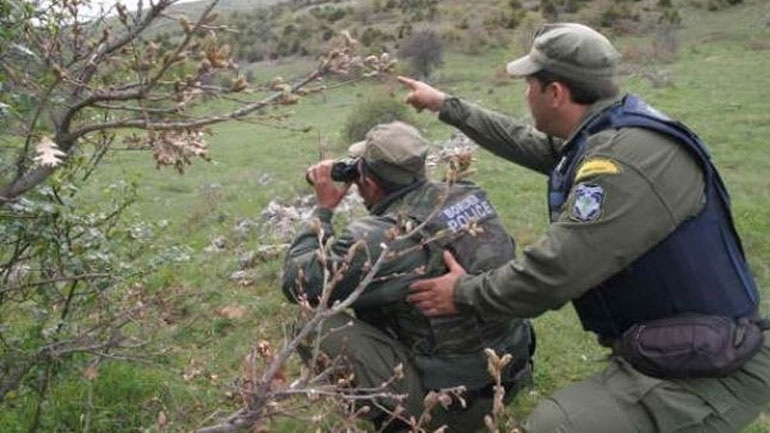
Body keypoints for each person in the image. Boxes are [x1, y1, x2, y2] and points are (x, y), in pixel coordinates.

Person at [398, 22, 770, 432]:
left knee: (555, 426)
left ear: (555, 93)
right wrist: (446, 105)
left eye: (529, 85)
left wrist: (462, 293)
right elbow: (528, 142)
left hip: (714, 367)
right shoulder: (612, 130)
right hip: (685, 345)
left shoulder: (621, 165)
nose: (525, 94)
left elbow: (552, 274)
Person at [281, 121, 535, 432]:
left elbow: (297, 283)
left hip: (453, 407)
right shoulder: (469, 195)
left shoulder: (383, 237)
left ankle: (400, 421)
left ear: (368, 183)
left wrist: (322, 211)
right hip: (509, 375)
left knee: (309, 324)